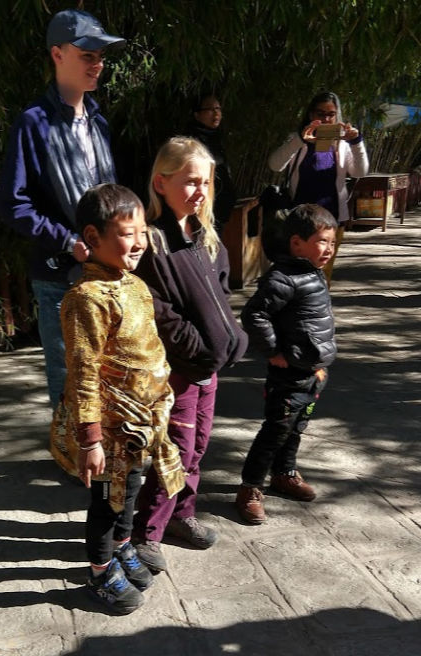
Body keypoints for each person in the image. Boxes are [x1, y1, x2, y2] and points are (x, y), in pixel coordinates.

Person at [48, 184, 185, 615]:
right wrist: (90, 439)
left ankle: (124, 546)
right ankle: (100, 571)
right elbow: (83, 370)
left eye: (143, 231)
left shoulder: (135, 286)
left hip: (139, 426)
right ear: (92, 236)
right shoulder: (86, 300)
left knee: (131, 491)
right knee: (107, 500)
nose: (140, 242)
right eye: (128, 233)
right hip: (108, 432)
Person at [0, 9, 124, 420]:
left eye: (100, 56)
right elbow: (13, 203)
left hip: (106, 272)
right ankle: (71, 452)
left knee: (109, 377)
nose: (97, 64)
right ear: (57, 54)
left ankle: (102, 452)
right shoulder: (34, 123)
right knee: (71, 382)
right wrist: (67, 240)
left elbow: (109, 196)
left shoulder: (98, 120)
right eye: (87, 55)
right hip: (59, 277)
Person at [131, 137, 248, 572]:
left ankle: (181, 515)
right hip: (178, 370)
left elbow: (221, 294)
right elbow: (157, 312)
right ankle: (147, 532)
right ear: (161, 183)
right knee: (174, 450)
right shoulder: (151, 243)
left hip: (207, 368)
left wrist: (229, 339)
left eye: (205, 182)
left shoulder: (205, 236)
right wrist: (198, 349)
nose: (200, 191)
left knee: (197, 447)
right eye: (190, 181)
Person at [234, 204, 337, 524]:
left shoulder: (313, 273)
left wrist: (319, 364)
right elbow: (254, 314)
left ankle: (285, 472)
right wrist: (273, 351)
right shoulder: (283, 278)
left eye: (332, 242)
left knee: (296, 428)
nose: (329, 249)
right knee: (275, 430)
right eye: (322, 242)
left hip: (312, 372)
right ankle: (250, 487)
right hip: (287, 374)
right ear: (296, 243)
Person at [267, 91, 369, 283]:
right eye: (320, 114)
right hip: (300, 219)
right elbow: (275, 165)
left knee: (323, 272)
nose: (326, 119)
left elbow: (360, 171)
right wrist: (300, 140)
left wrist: (356, 142)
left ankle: (319, 301)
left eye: (331, 114)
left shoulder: (342, 144)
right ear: (310, 114)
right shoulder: (298, 140)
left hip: (331, 219)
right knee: (295, 270)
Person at [183, 93, 238, 231]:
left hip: (220, 211)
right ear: (197, 115)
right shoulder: (192, 142)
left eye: (218, 109)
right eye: (210, 109)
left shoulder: (219, 137)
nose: (216, 113)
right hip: (203, 210)